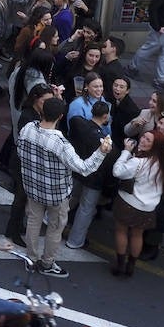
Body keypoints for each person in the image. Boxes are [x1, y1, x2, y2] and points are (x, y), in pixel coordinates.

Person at [16, 95, 111, 278]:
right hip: (57, 193)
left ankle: (31, 258)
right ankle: (47, 263)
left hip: (33, 187)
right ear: (60, 117)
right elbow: (84, 168)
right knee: (55, 227)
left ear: (42, 111)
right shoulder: (61, 144)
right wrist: (101, 152)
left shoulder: (27, 129)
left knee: (33, 221)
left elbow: (21, 151)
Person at [110, 129, 164, 277]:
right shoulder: (163, 164)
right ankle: (131, 266)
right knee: (137, 235)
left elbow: (117, 171)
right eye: (144, 137)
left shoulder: (138, 162)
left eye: (148, 140)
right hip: (148, 208)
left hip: (128, 202)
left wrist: (126, 152)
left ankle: (120, 264)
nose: (143, 140)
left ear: (155, 146)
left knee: (121, 231)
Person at [64, 99, 112, 250]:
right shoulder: (103, 140)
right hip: (93, 179)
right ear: (105, 117)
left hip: (76, 170)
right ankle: (75, 240)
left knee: (69, 199)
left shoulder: (78, 124)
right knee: (85, 209)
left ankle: (49, 220)